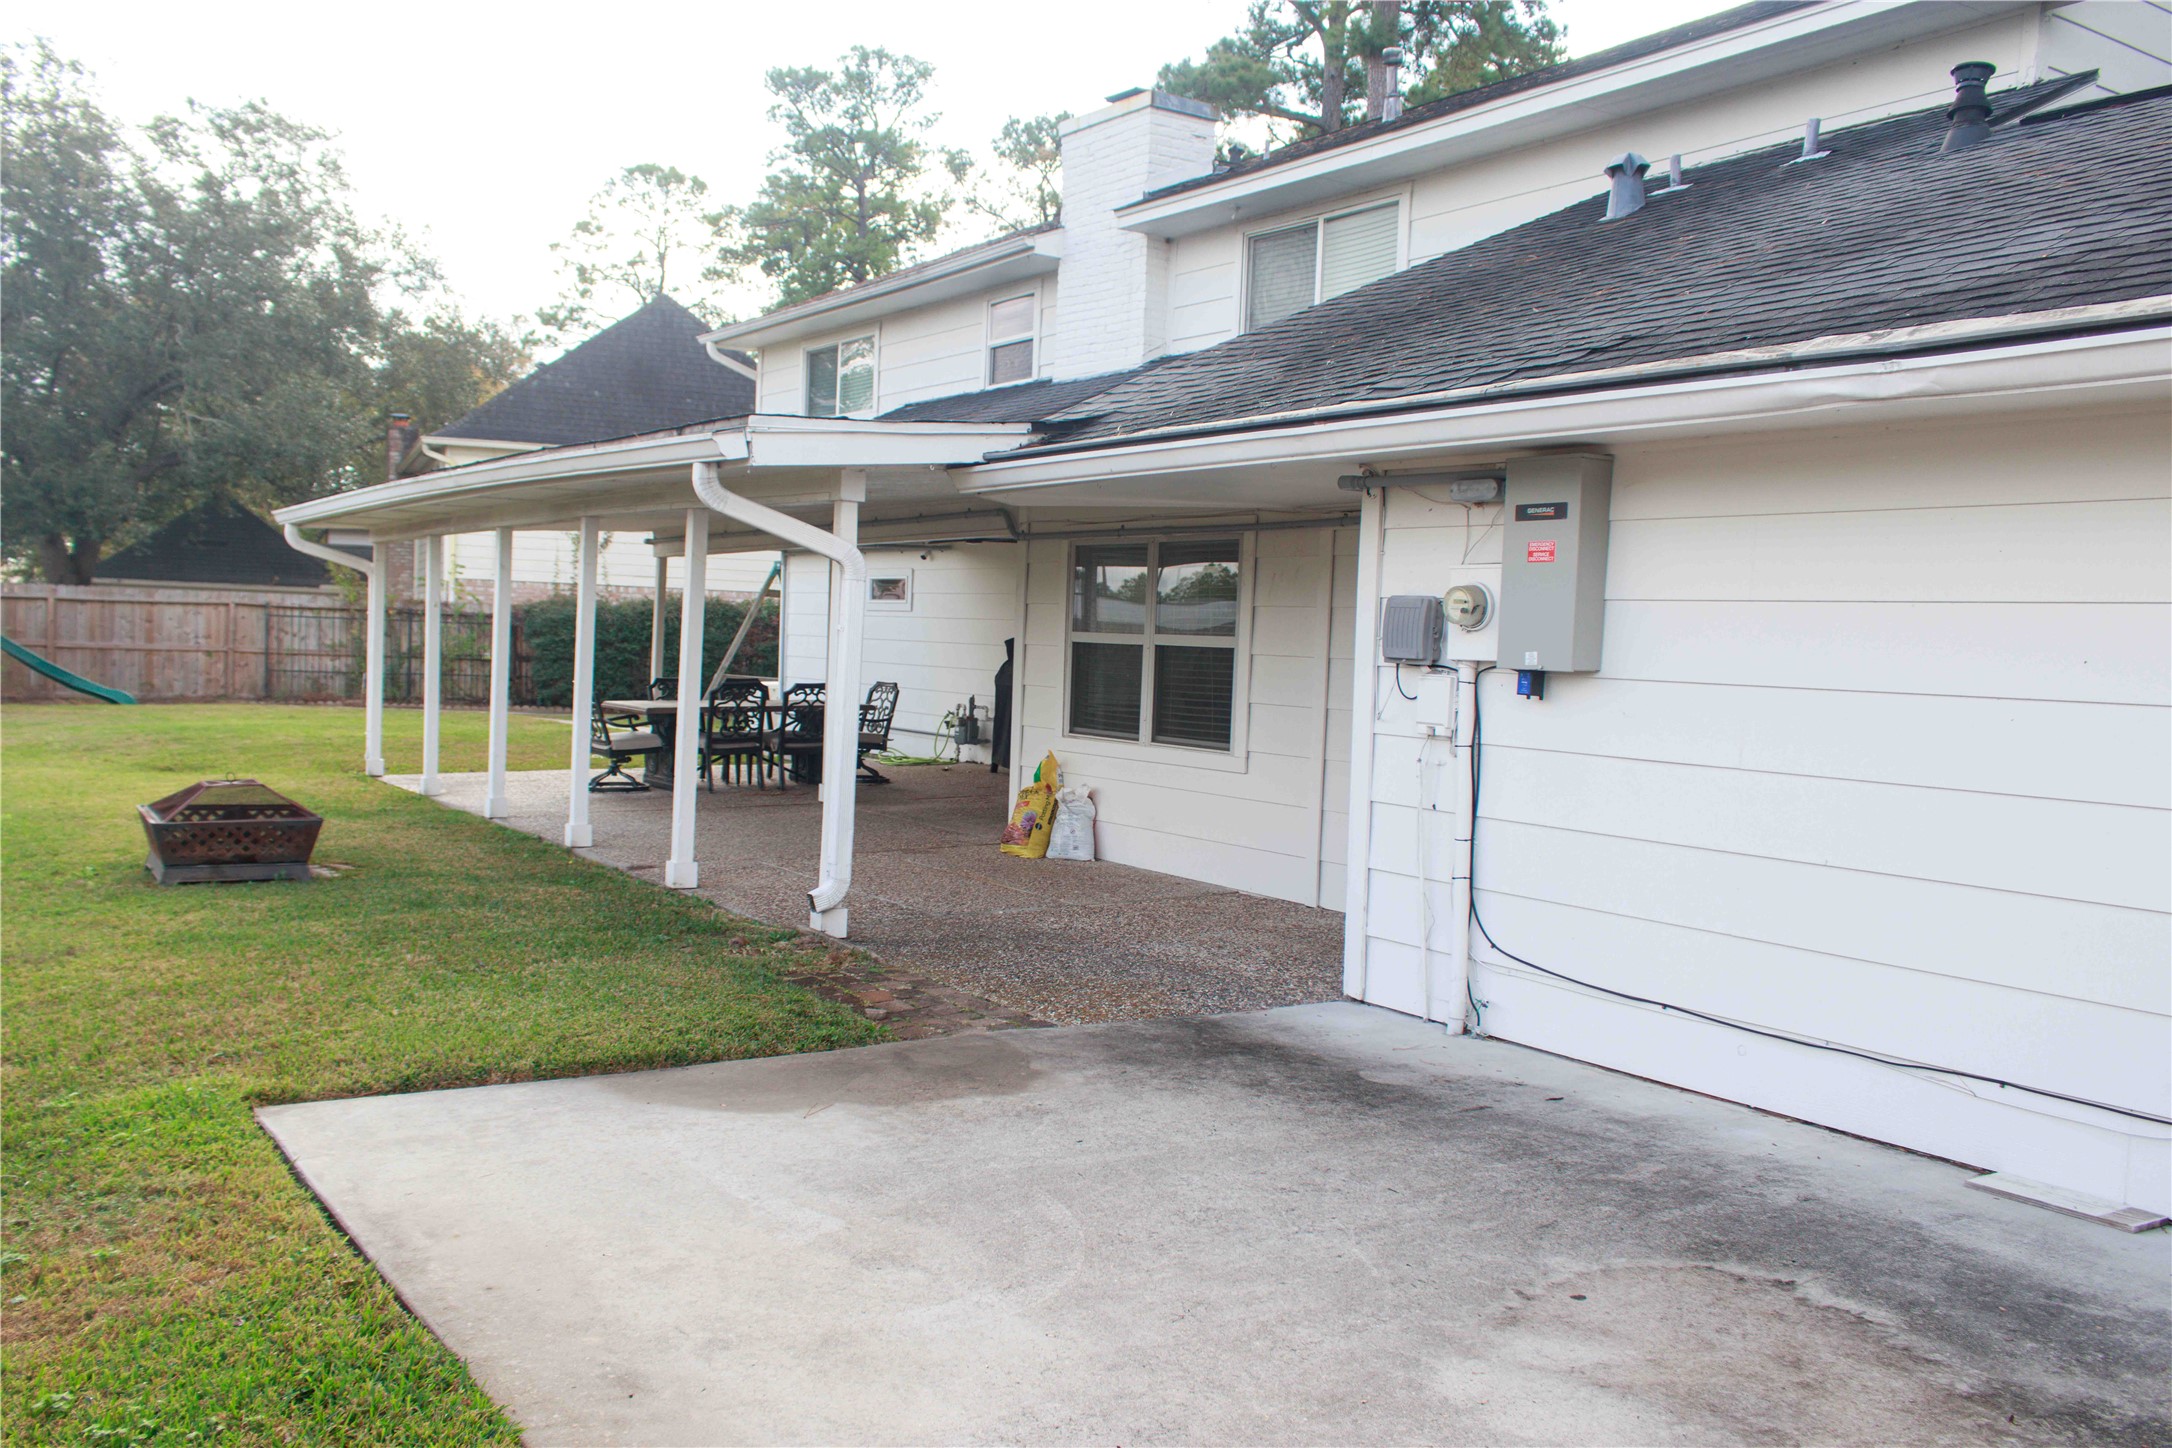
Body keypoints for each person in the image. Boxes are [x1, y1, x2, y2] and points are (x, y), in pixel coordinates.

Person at [989, 637, 1014, 773]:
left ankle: (995, 762)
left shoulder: (1006, 667)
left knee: (1001, 731)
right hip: (1010, 706)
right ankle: (1002, 760)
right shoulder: (1012, 666)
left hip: (1002, 707)